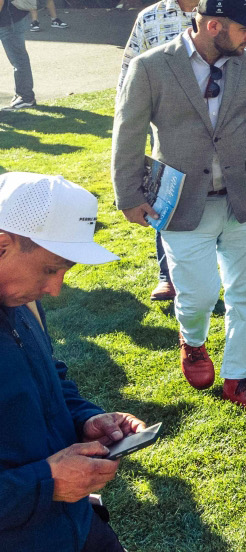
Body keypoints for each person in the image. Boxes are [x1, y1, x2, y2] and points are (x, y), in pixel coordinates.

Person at [111, 0, 246, 415]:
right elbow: (127, 132)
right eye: (244, 30)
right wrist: (128, 194)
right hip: (181, 204)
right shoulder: (151, 67)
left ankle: (239, 379)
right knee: (197, 296)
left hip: (244, 200)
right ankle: (193, 342)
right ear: (213, 25)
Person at [0, 172, 147, 552]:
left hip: (77, 527)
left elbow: (50, 377)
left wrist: (85, 419)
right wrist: (44, 484)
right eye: (51, 269)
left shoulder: (22, 302)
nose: (56, 289)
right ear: (2, 244)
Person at [119, 0, 229, 302]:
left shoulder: (226, 12)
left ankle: (230, 258)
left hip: (220, 123)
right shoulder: (150, 18)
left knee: (226, 186)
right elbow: (129, 72)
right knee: (167, 193)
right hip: (169, 127)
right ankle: (168, 273)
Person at [0, 0, 36, 112]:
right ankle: (22, 95)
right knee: (19, 58)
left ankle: (26, 97)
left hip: (10, 21)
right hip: (12, 18)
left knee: (18, 59)